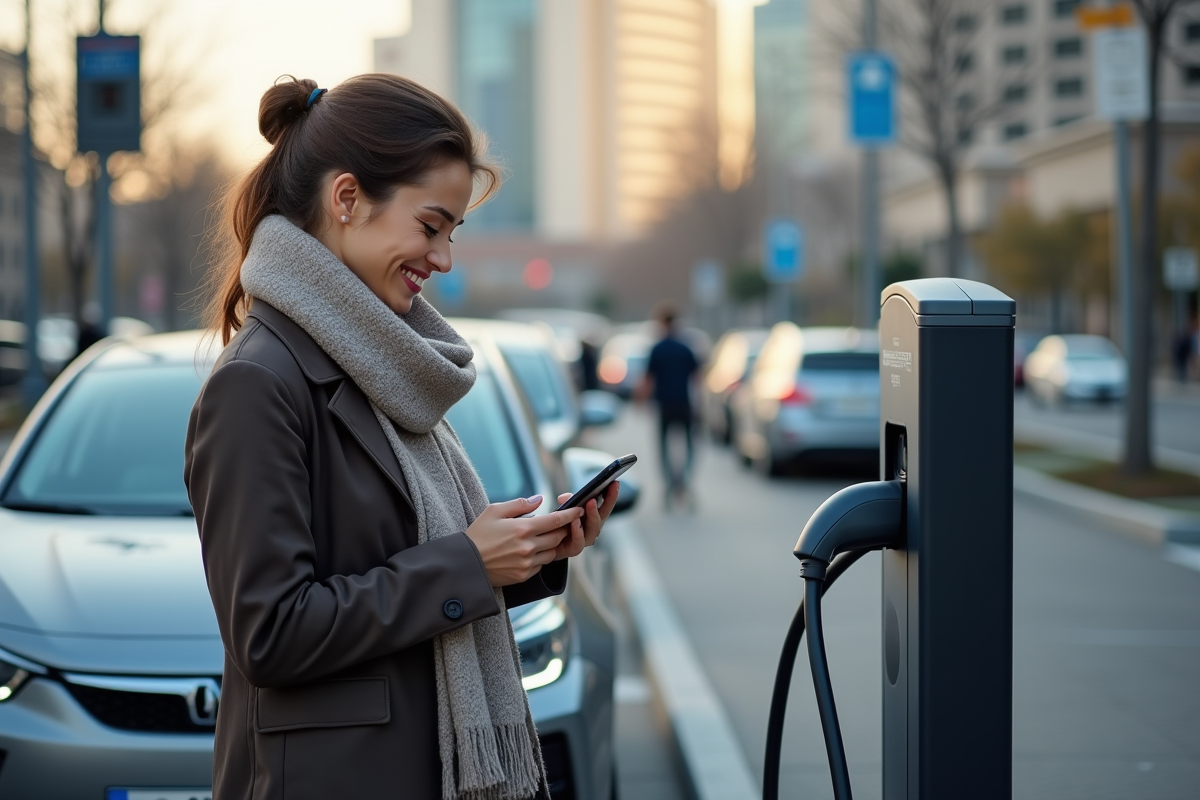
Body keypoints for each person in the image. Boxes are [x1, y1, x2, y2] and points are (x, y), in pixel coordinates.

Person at [184, 75, 618, 800]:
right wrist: (469, 564)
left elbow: (392, 568)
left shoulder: (378, 364)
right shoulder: (258, 383)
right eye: (430, 226)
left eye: (452, 234)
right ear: (347, 199)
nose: (443, 259)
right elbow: (272, 634)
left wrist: (525, 556)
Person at [637, 303, 700, 509]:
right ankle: (683, 480)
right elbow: (697, 379)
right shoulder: (686, 348)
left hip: (664, 405)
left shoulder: (658, 349)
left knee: (663, 447)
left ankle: (670, 483)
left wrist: (641, 401)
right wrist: (700, 406)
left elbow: (648, 379)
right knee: (689, 446)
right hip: (684, 403)